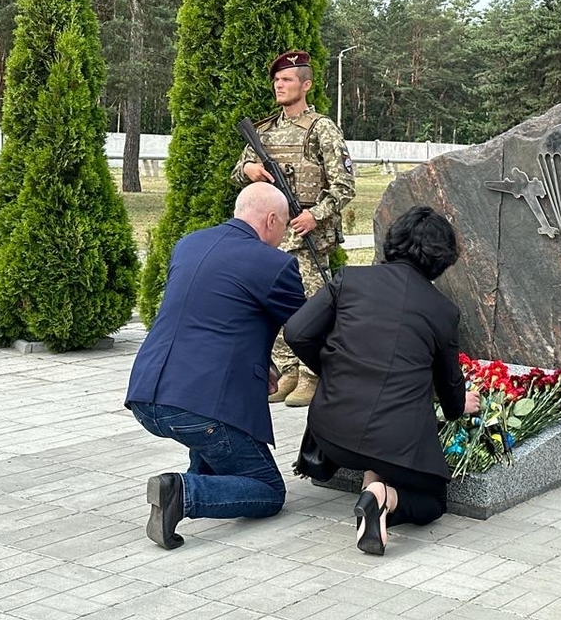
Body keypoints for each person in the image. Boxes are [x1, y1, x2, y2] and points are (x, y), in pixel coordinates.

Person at [283, 206, 480, 555]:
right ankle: (383, 498)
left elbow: (297, 332)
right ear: (442, 259)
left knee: (380, 434)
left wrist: (332, 370)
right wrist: (459, 403)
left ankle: (373, 488)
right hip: (396, 443)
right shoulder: (442, 311)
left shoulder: (349, 279)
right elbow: (451, 399)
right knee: (433, 501)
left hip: (331, 432)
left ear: (394, 242)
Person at [125, 183, 306, 549]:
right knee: (269, 490)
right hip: (200, 407)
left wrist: (262, 362)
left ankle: (185, 486)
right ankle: (183, 491)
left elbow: (212, 317)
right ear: (271, 220)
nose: (284, 234)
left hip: (146, 394)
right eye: (285, 225)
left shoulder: (188, 244)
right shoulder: (275, 264)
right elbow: (310, 331)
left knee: (214, 440)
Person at [232, 49, 356, 408]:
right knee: (276, 308)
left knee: (311, 309)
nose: (279, 86)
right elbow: (238, 172)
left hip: (307, 238)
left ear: (306, 85)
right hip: (270, 240)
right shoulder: (264, 130)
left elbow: (345, 185)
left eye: (286, 80)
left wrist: (316, 214)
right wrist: (249, 172)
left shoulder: (322, 129)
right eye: (276, 81)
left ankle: (312, 375)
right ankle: (286, 372)